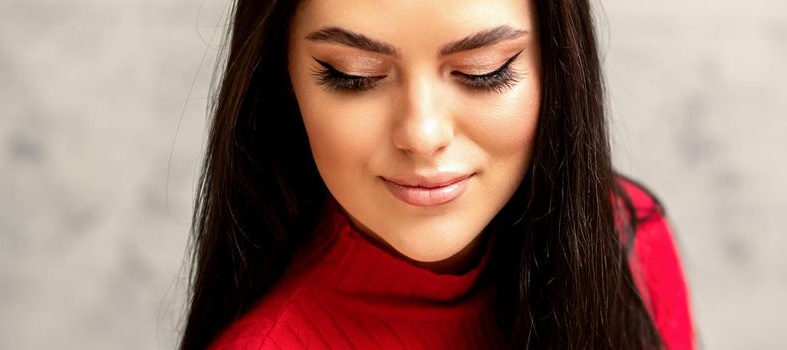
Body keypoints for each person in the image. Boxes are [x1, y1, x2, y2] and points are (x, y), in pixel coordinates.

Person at [180, 0, 694, 349]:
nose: (422, 134)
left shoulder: (626, 235)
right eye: (354, 75)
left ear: (559, 67)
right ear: (282, 80)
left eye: (483, 71)